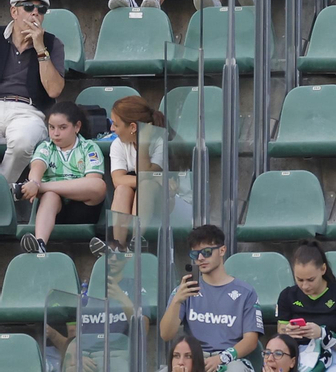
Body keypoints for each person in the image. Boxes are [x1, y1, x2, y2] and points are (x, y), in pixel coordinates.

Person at [158, 224, 261, 369]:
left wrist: (221, 358)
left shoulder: (246, 292)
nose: (200, 258)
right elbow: (166, 334)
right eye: (195, 254)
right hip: (193, 357)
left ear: (222, 250)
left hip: (229, 359)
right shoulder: (186, 290)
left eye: (206, 252)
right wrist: (176, 301)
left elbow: (251, 340)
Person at [18, 101, 106, 254]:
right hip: (53, 209)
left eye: (62, 127)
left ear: (77, 127)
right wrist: (33, 181)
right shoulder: (45, 147)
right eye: (52, 127)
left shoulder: (89, 147)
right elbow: (37, 166)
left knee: (99, 185)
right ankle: (40, 244)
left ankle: (45, 188)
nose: (55, 133)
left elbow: (92, 183)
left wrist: (39, 186)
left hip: (82, 209)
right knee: (51, 196)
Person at [0, 0, 65, 185]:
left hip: (29, 111)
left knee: (22, 143)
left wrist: (40, 48)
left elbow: (54, 90)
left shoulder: (52, 44)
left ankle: (2, 193)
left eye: (41, 9)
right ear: (14, 12)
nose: (35, 13)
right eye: (28, 7)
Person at [275, 243, 336, 371]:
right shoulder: (287, 295)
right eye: (299, 280)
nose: (305, 286)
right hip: (297, 355)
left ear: (323, 269)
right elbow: (280, 332)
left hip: (331, 354)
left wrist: (323, 334)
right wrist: (287, 331)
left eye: (310, 279)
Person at [105, 96, 166, 251]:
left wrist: (143, 144)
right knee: (122, 189)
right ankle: (117, 246)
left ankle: (136, 241)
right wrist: (147, 179)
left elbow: (147, 175)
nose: (112, 129)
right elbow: (118, 180)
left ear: (132, 127)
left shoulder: (159, 141)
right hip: (134, 199)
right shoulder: (118, 144)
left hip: (163, 203)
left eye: (116, 124)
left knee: (145, 187)